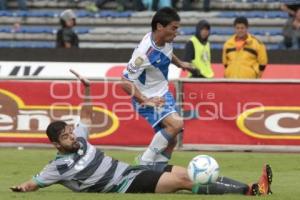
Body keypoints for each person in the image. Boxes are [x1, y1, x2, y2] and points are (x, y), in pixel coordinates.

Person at [10, 69, 273, 196]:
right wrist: (22, 187)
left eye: (70, 131)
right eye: (66, 136)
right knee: (183, 182)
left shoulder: (81, 139)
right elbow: (34, 182)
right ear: (56, 145)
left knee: (187, 173)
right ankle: (253, 191)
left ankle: (249, 188)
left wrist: (87, 89)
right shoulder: (58, 167)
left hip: (131, 170)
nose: (72, 136)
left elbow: (86, 116)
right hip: (125, 184)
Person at [121, 7, 194, 172]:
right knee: (176, 124)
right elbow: (124, 82)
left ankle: (156, 173)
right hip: (147, 97)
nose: (177, 32)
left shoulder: (166, 40)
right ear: (160, 27)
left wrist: (180, 63)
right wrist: (145, 100)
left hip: (162, 93)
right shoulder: (144, 53)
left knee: (172, 139)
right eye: (174, 28)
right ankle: (144, 162)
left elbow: (168, 54)